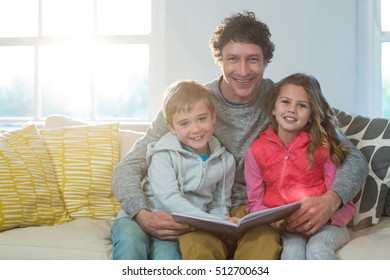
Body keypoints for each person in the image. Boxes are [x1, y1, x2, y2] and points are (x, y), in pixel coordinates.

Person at [110, 10, 368, 260]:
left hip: (257, 212)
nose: (243, 71)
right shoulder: (193, 105)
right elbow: (129, 165)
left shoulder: (285, 101)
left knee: (264, 249)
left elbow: (353, 159)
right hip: (203, 209)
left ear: (265, 61)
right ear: (219, 60)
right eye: (232, 59)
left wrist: (332, 199)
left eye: (253, 59)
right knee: (197, 251)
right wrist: (141, 214)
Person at [245, 73, 357, 259]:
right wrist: (275, 222)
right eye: (285, 102)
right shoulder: (256, 150)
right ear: (273, 108)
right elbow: (254, 203)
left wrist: (324, 218)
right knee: (292, 251)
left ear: (312, 115)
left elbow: (343, 201)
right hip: (289, 228)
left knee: (317, 248)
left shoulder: (323, 146)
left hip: (329, 225)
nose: (292, 110)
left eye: (302, 105)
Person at [144, 79, 239, 259]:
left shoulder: (226, 161)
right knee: (130, 243)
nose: (196, 129)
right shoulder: (163, 155)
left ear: (213, 116)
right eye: (184, 123)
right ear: (171, 127)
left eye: (201, 119)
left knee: (168, 259)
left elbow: (220, 204)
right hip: (158, 217)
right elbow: (170, 199)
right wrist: (217, 221)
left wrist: (224, 224)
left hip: (185, 225)